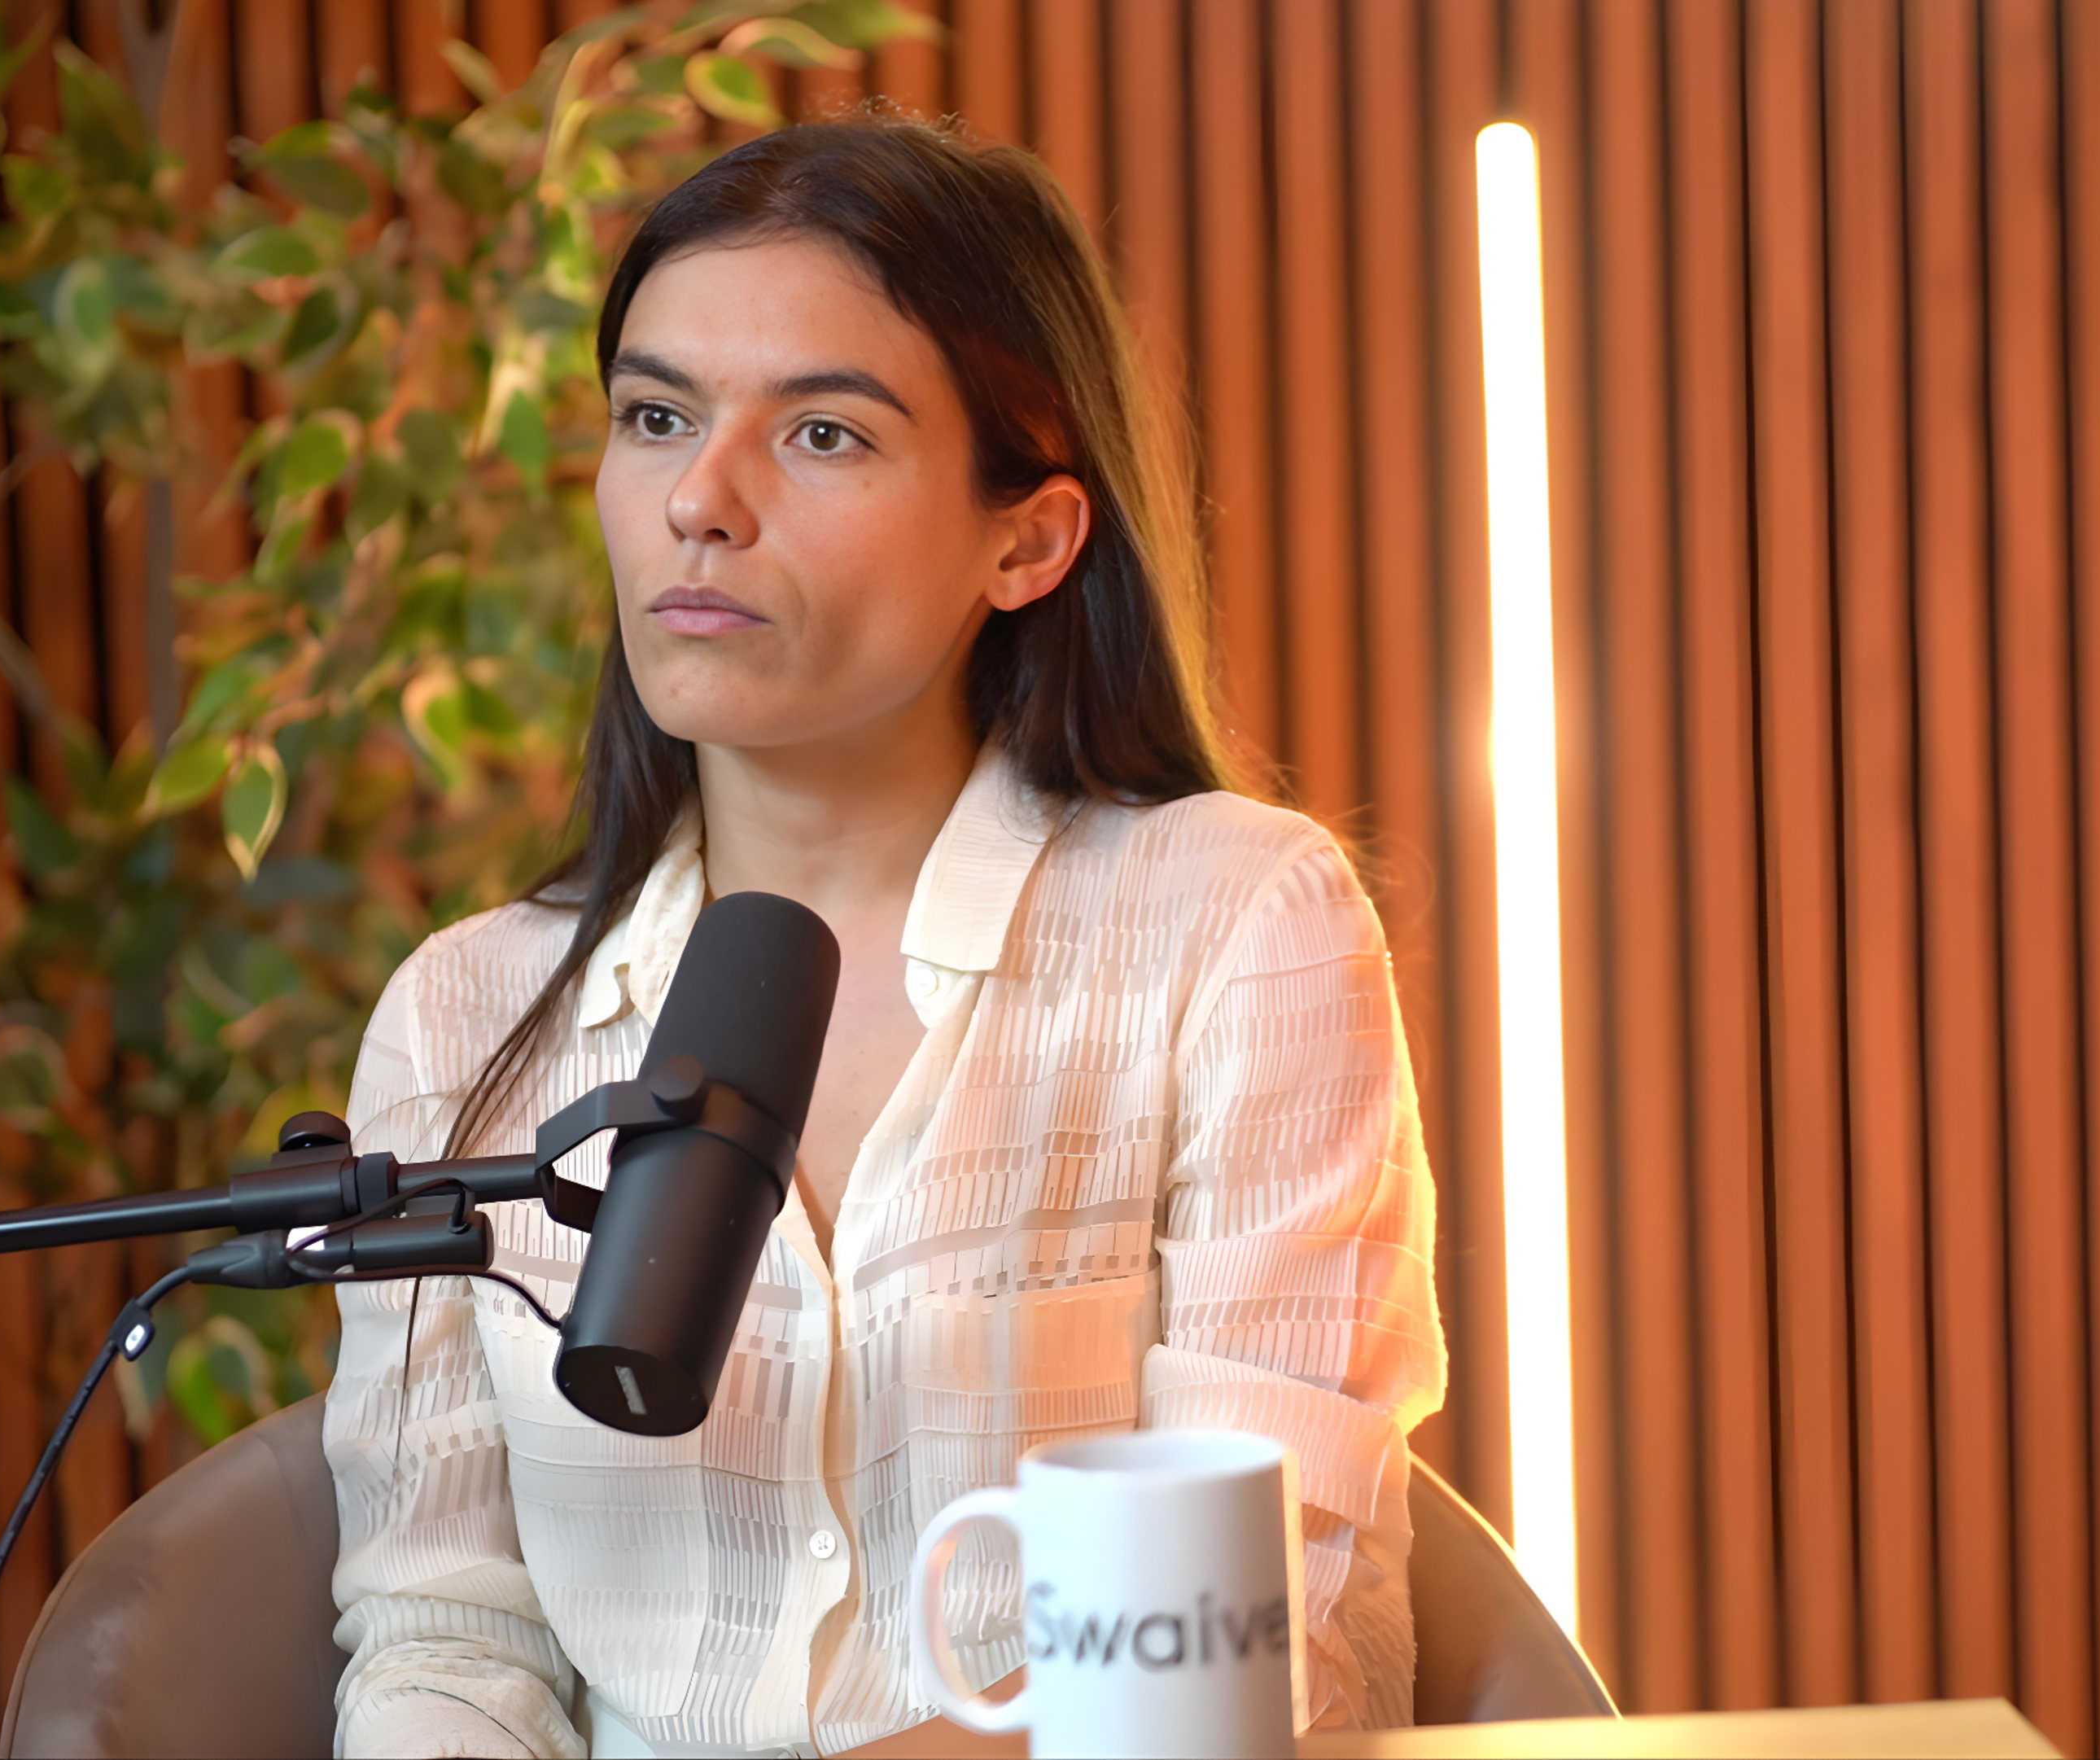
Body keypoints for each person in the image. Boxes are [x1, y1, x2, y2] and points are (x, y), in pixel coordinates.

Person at [321, 110, 1446, 1760]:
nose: (700, 500)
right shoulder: (462, 1017)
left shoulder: (1236, 932)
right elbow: (441, 1641)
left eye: (824, 436)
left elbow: (1266, 1639)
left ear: (1030, 538)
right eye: (654, 415)